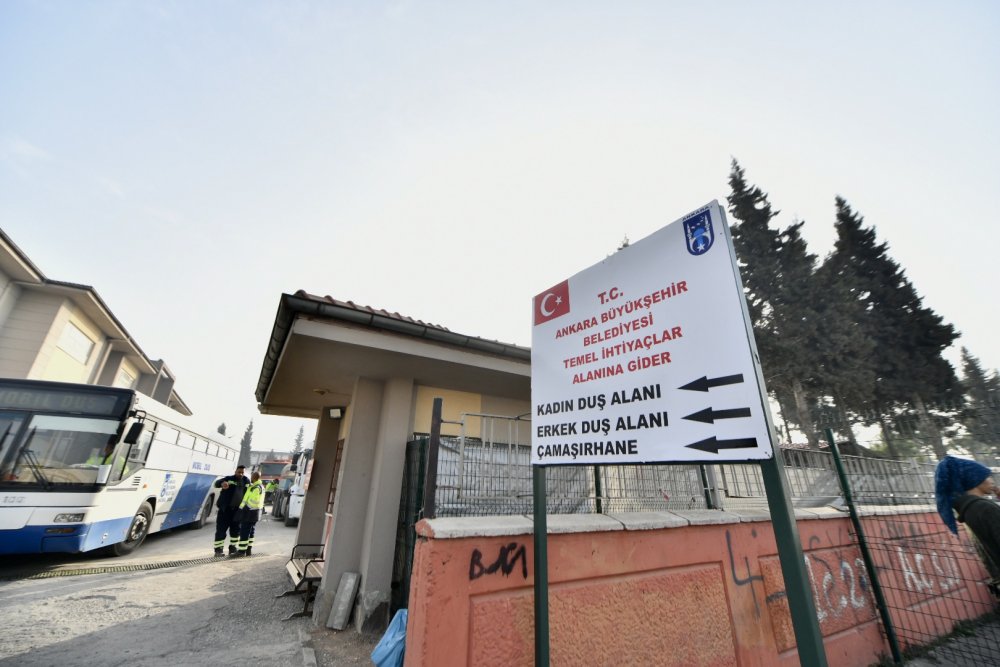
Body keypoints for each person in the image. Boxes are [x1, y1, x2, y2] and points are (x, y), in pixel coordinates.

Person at [935, 455, 1000, 580]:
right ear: (974, 480)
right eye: (987, 476)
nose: (992, 481)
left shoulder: (969, 508)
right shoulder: (985, 508)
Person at [212, 464, 249, 556]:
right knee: (221, 530)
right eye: (239, 472)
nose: (241, 474)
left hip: (238, 511)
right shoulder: (229, 478)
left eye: (242, 472)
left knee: (236, 531)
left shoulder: (246, 480)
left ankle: (232, 549)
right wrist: (222, 484)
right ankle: (218, 550)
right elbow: (216, 484)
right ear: (235, 471)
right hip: (225, 510)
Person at [234, 471, 265, 557]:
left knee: (244, 531)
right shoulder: (259, 486)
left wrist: (246, 507)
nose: (251, 478)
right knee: (251, 531)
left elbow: (253, 500)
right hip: (255, 512)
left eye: (252, 476)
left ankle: (241, 551)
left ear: (254, 477)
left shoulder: (255, 488)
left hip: (250, 512)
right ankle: (248, 550)